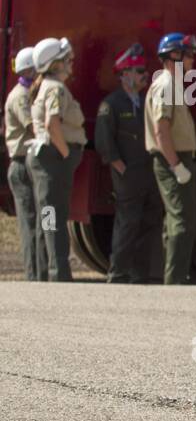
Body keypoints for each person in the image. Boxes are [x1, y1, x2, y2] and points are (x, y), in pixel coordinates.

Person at [94, 43, 162, 283]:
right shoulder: (111, 104)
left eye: (144, 70)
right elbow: (105, 141)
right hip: (128, 174)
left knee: (150, 221)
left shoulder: (146, 102)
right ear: (124, 75)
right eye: (138, 70)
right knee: (128, 223)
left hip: (149, 172)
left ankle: (139, 272)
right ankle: (119, 271)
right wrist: (120, 167)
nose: (144, 75)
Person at [26, 37, 85, 281]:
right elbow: (53, 124)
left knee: (48, 215)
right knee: (53, 214)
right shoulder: (56, 88)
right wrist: (66, 154)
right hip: (53, 158)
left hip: (46, 158)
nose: (71, 62)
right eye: (66, 58)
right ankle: (57, 271)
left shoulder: (47, 86)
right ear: (55, 64)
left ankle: (46, 270)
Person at [145, 32, 196, 285]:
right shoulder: (166, 85)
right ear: (173, 57)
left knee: (177, 221)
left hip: (176, 159)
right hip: (173, 160)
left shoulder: (173, 84)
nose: (192, 62)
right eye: (188, 56)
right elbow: (161, 129)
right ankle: (176, 282)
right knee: (182, 222)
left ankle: (174, 278)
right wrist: (176, 165)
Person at [5, 46, 45, 280]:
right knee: (30, 223)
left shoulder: (28, 92)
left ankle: (44, 271)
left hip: (33, 164)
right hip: (22, 165)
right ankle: (34, 275)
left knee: (43, 219)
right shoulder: (20, 96)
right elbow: (33, 126)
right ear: (29, 70)